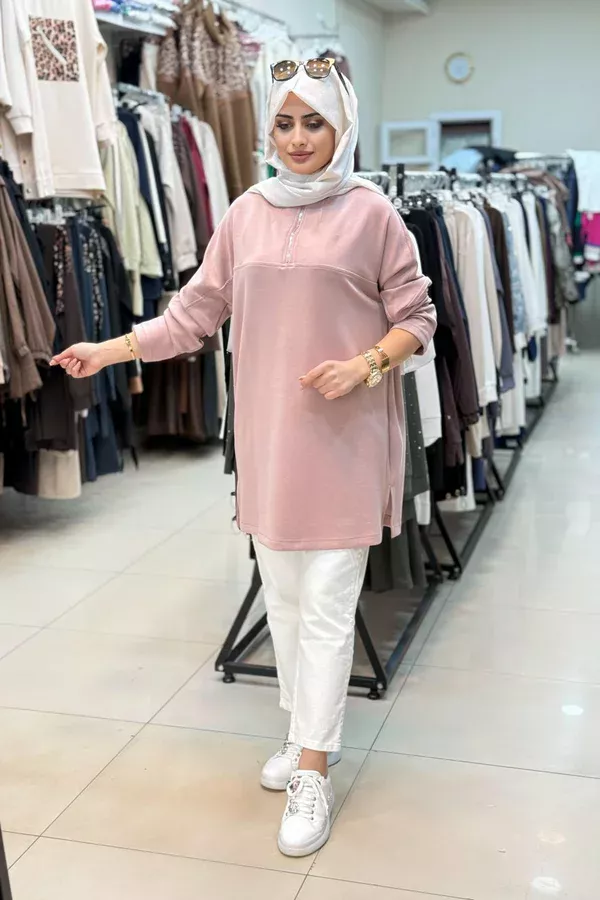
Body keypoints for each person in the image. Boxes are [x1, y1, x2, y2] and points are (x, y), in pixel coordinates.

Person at [51, 58, 436, 858]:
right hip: (267, 443)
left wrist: (365, 365)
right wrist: (109, 349)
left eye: (314, 122)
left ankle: (314, 771)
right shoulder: (246, 214)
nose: (297, 138)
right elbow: (192, 316)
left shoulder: (373, 214)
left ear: (342, 127)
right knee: (284, 603)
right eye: (285, 122)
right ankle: (301, 737)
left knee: (326, 607)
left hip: (348, 444)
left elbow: (418, 317)